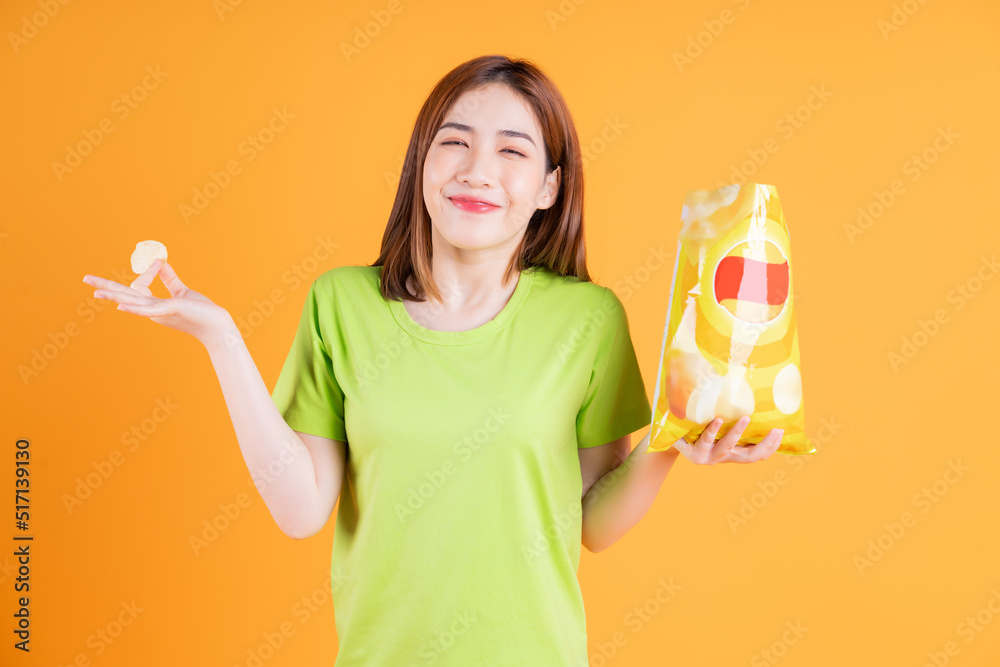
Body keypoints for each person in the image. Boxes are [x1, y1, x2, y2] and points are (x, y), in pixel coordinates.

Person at [82, 54, 784, 667]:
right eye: (454, 142)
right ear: (422, 163)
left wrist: (672, 440)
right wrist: (222, 339)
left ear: (547, 187)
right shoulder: (341, 305)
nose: (478, 170)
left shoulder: (588, 319)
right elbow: (300, 509)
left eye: (513, 151)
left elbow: (592, 521)